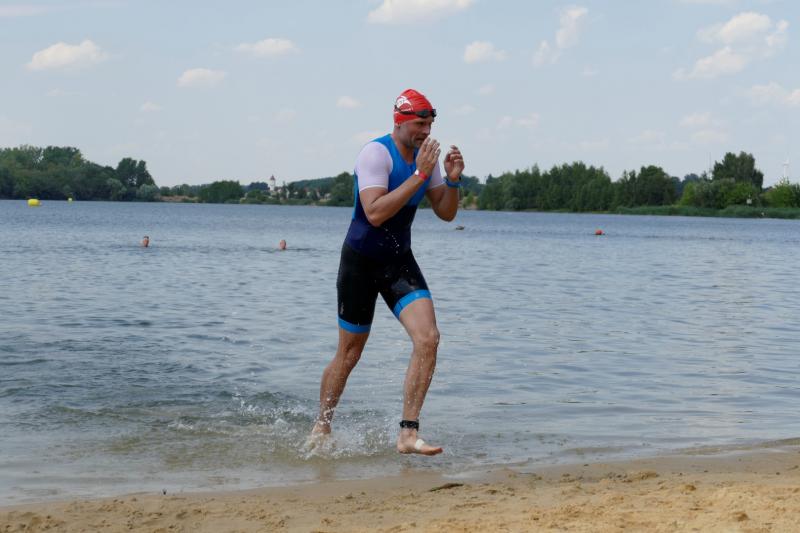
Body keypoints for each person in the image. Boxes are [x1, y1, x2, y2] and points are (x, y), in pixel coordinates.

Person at [310, 88, 465, 456]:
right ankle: (322, 425)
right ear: (399, 122)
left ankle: (408, 433)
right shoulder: (375, 154)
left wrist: (452, 180)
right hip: (360, 263)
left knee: (428, 338)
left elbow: (446, 213)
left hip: (398, 261)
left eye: (429, 125)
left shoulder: (426, 159)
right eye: (419, 124)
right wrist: (420, 174)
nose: (426, 131)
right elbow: (375, 212)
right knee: (349, 354)